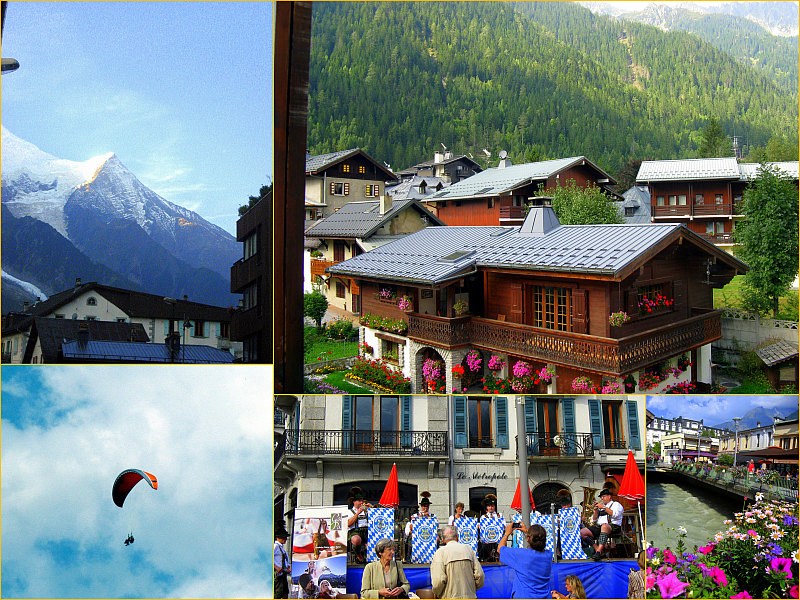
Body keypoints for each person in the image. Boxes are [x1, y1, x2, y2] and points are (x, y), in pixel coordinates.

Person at [498, 521, 553, 599]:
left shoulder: (522, 555)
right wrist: (528, 532)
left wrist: (507, 533)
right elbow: (537, 541)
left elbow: (500, 549)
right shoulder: (548, 555)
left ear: (528, 539)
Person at [430, 525, 485, 599]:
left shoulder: (440, 553)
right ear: (457, 537)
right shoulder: (468, 549)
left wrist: (437, 593)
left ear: (442, 539)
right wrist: (471, 589)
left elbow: (438, 580)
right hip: (470, 596)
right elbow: (480, 575)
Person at [579, 489, 623, 560]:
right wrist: (596, 510)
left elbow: (615, 515)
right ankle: (598, 550)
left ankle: (598, 552)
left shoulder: (616, 505)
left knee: (604, 526)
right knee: (582, 532)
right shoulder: (601, 507)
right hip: (600, 526)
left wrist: (604, 507)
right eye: (601, 497)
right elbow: (594, 519)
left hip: (614, 526)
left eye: (604, 496)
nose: (602, 498)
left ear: (609, 496)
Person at [478, 493, 504, 562]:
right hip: (487, 542)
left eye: (492, 506)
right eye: (489, 506)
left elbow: (504, 526)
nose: (491, 508)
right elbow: (482, 529)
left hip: (498, 541)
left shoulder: (500, 516)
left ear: (494, 507)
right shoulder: (483, 517)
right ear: (487, 507)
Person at [348, 487, 370, 563]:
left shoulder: (367, 510)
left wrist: (372, 509)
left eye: (362, 500)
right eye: (359, 501)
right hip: (355, 531)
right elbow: (348, 523)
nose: (361, 502)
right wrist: (358, 513)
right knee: (356, 539)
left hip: (367, 531)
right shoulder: (349, 511)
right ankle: (358, 555)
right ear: (354, 501)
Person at [274, 526, 292, 599]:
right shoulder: (275, 546)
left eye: (285, 537)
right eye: (283, 537)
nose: (285, 539)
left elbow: (285, 560)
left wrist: (288, 566)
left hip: (283, 574)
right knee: (278, 594)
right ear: (278, 538)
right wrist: (276, 567)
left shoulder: (282, 548)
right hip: (278, 574)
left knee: (285, 592)